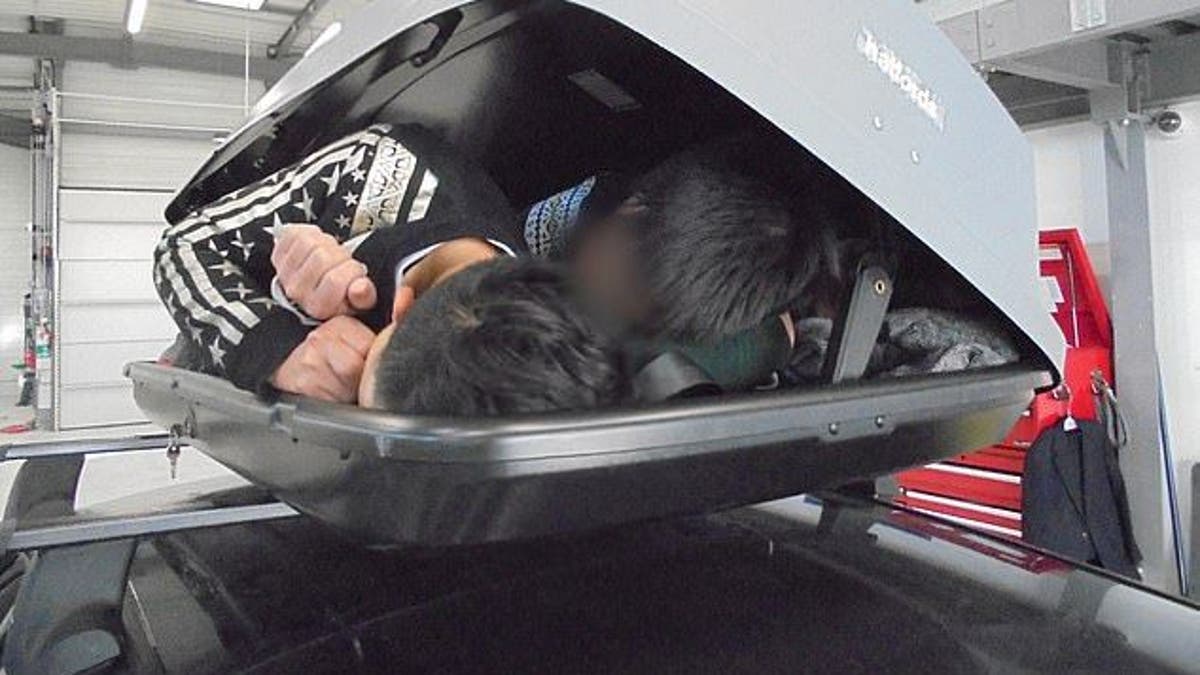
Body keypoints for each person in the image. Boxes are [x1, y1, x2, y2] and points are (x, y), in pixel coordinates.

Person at [154, 123, 627, 413]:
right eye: (358, 381)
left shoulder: (541, 336)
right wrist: (276, 347)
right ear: (400, 307)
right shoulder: (378, 164)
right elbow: (180, 245)